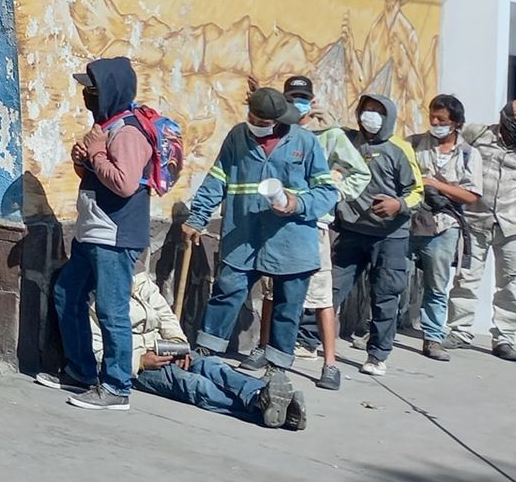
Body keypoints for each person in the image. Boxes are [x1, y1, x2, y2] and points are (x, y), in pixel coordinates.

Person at [183, 87, 336, 391]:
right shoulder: (237, 137)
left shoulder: (304, 142)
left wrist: (296, 203)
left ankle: (277, 367)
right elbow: (217, 178)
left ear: (279, 120)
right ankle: (206, 353)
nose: (259, 124)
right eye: (254, 118)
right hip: (244, 235)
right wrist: (197, 217)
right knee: (227, 292)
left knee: (287, 306)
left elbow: (327, 192)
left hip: (291, 239)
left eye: (265, 121)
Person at [39, 58, 155, 411]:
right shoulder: (108, 127)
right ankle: (81, 371)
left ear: (109, 91)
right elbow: (98, 174)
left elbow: (124, 183)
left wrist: (97, 152)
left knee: (111, 310)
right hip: (93, 232)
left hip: (114, 237)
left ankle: (117, 385)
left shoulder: (130, 131)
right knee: (66, 294)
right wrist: (85, 160)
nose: (87, 95)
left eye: (92, 89)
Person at [113, 268, 306, 430]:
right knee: (191, 383)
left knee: (211, 366)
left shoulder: (138, 277)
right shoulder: (95, 294)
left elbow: (164, 313)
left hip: (163, 348)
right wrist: (139, 360)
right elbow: (97, 347)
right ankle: (269, 409)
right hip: (135, 366)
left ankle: (261, 395)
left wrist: (177, 342)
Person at [278, 78, 370, 392]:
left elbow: (360, 172)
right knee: (272, 291)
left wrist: (332, 192)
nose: (298, 104)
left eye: (303, 98)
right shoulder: (279, 131)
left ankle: (330, 363)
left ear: (312, 100)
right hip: (278, 222)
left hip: (314, 224)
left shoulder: (329, 136)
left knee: (321, 297)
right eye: (293, 98)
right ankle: (266, 351)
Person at [451, 101, 516, 361]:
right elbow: (455, 144)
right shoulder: (479, 135)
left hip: (515, 223)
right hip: (475, 219)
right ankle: (460, 331)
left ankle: (505, 339)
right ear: (507, 121)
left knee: (509, 284)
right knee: (466, 278)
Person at [331, 92, 423, 377]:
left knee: (385, 294)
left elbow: (417, 192)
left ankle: (377, 354)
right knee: (330, 288)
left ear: (389, 116)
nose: (369, 116)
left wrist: (398, 205)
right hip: (350, 230)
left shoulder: (400, 149)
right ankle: (309, 340)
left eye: (377, 111)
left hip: (389, 236)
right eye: (365, 110)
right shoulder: (348, 141)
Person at [408, 95, 481, 363]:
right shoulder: (414, 143)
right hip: (411, 220)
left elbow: (472, 195)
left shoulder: (469, 154)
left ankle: (433, 338)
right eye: (433, 118)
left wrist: (436, 185)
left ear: (456, 123)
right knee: (390, 278)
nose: (436, 123)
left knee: (436, 285)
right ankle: (375, 331)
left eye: (442, 120)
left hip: (445, 225)